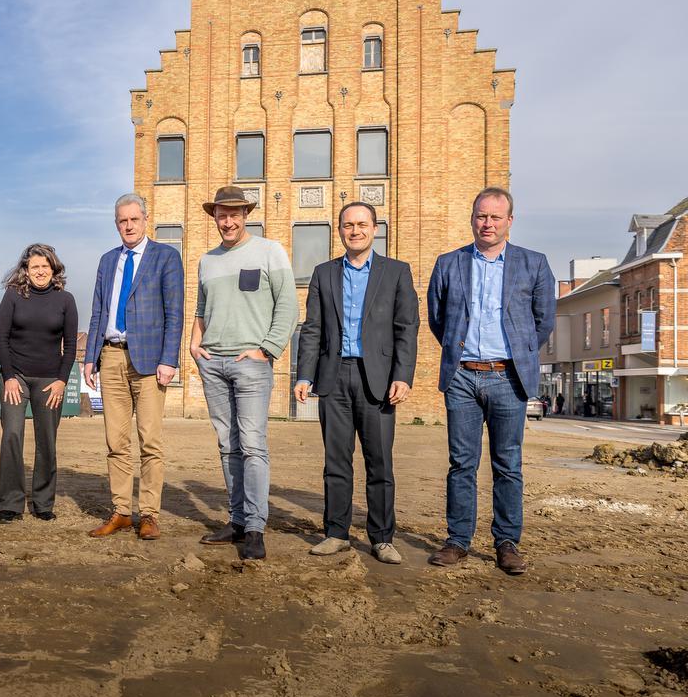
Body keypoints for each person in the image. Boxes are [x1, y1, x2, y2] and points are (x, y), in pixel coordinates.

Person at [426, 187, 555, 575]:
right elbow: (438, 319)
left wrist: (518, 351)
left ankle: (506, 543)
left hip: (508, 377)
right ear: (472, 218)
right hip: (463, 377)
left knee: (508, 464)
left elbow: (543, 321)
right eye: (482, 216)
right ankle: (457, 540)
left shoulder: (534, 264)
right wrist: (458, 351)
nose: (488, 223)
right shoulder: (449, 263)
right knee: (461, 463)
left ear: (510, 222)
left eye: (496, 217)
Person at [293, 202, 419, 564]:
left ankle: (382, 538)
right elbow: (312, 328)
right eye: (348, 225)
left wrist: (402, 375)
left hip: (377, 381)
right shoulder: (324, 273)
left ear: (375, 228)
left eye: (362, 224)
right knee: (336, 461)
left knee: (379, 462)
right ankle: (336, 533)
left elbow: (406, 328)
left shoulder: (396, 272)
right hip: (333, 378)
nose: (355, 231)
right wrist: (305, 374)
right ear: (340, 230)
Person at [190, 187, 297, 560]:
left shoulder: (270, 251)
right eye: (222, 214)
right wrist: (194, 343)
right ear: (214, 217)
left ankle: (254, 527)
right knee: (227, 445)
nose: (228, 221)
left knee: (252, 445)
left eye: (235, 214)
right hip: (213, 363)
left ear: (246, 215)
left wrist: (266, 349)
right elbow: (201, 309)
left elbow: (288, 306)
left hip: (251, 363)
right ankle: (236, 522)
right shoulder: (207, 260)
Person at [83, 193, 184, 540]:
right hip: (110, 356)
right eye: (122, 221)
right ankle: (122, 511)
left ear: (145, 219)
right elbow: (98, 311)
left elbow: (175, 313)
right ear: (117, 224)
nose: (128, 226)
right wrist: (89, 358)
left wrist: (169, 359)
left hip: (150, 361)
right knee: (116, 440)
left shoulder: (166, 257)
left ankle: (150, 514)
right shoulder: (107, 261)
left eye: (133, 219)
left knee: (150, 441)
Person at [0, 244, 78, 523]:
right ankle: (10, 503)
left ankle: (43, 503)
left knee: (47, 442)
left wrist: (61, 381)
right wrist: (8, 376)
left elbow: (70, 347)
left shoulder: (66, 300)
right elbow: (1, 339)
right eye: (34, 267)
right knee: (12, 436)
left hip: (49, 382)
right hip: (15, 378)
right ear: (26, 271)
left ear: (53, 269)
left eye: (45, 266)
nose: (40, 271)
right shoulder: (13, 296)